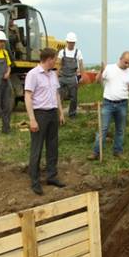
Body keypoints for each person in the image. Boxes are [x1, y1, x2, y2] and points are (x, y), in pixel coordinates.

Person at [24, 48, 66, 195]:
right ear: (49, 59)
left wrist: (60, 112)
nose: (56, 61)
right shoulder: (33, 75)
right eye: (55, 59)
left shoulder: (53, 74)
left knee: (52, 146)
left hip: (52, 113)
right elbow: (28, 96)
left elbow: (56, 94)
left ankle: (51, 176)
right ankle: (35, 181)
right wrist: (32, 119)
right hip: (39, 114)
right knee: (37, 148)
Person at [88, 51, 129, 160]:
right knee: (103, 128)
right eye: (126, 62)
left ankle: (117, 151)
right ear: (120, 59)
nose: (127, 65)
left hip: (123, 104)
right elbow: (97, 81)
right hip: (108, 103)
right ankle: (96, 152)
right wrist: (101, 72)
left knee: (120, 129)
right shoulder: (109, 68)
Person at [58, 32, 85, 118]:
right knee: (59, 95)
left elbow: (81, 64)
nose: (71, 44)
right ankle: (59, 114)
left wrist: (82, 76)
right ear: (67, 42)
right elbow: (58, 64)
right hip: (63, 76)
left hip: (72, 77)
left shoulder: (78, 52)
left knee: (74, 97)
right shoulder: (62, 52)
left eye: (73, 42)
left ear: (75, 43)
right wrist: (56, 75)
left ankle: (72, 114)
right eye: (70, 42)